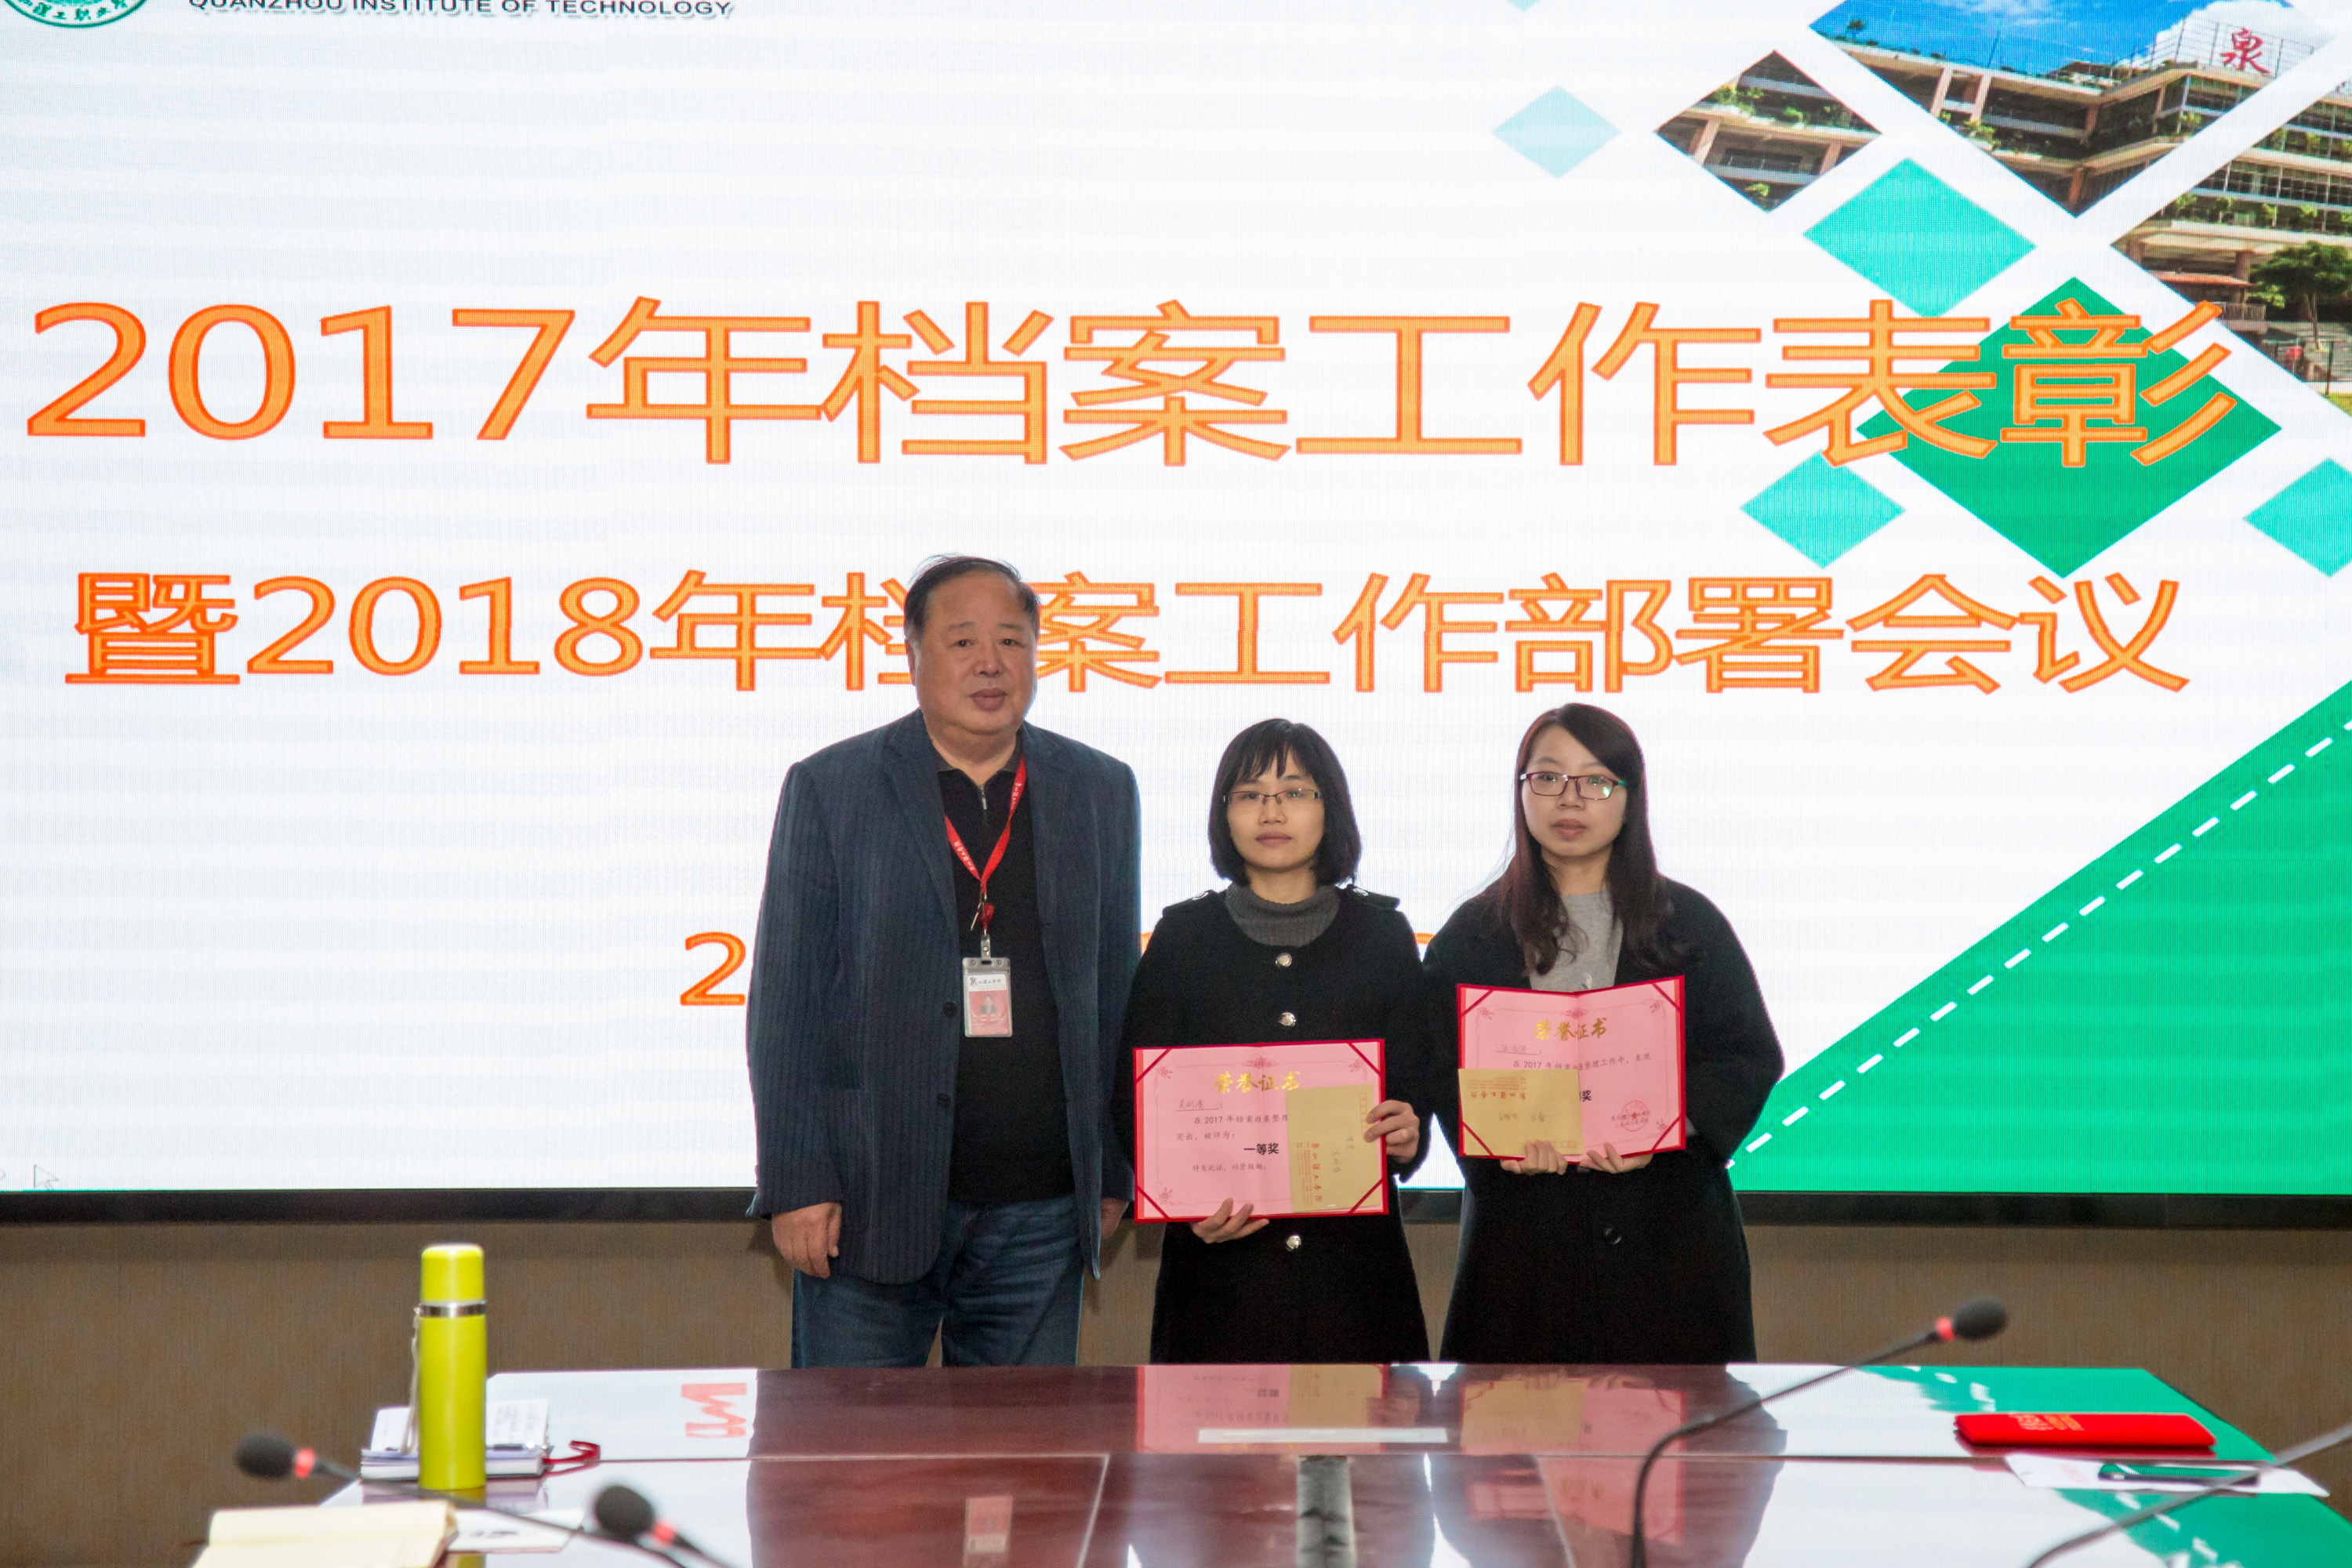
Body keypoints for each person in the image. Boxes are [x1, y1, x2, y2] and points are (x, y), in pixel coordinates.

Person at [745, 554, 1141, 1368]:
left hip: (1039, 1210)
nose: (990, 663)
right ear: (913, 654)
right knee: (854, 1448)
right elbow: (786, 1002)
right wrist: (797, 1180)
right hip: (868, 1199)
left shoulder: (1099, 788)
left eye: (1012, 641)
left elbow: (1113, 994)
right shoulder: (833, 787)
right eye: (963, 641)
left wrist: (1112, 1165)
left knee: (1021, 1449)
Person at [1425, 702, 1782, 1364]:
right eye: (1548, 778)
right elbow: (1437, 1069)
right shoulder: (1472, 935)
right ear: (1521, 792)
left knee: (1681, 1429)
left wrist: (1666, 1126)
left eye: (1596, 781)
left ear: (1630, 797)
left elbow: (1745, 1056)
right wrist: (1495, 1142)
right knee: (1520, 1428)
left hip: (1668, 1244)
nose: (1571, 799)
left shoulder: (1688, 922)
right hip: (1524, 1252)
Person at [1116, 718, 1432, 1364]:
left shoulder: (1382, 935)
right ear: (1223, 813)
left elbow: (1416, 1084)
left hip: (1354, 1283)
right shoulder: (1182, 938)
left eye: (1294, 792)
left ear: (1330, 807)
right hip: (1220, 1282)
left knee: (1361, 1432)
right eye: (1249, 794)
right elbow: (1134, 1100)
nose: (1271, 811)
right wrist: (1181, 1202)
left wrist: (1409, 1133)